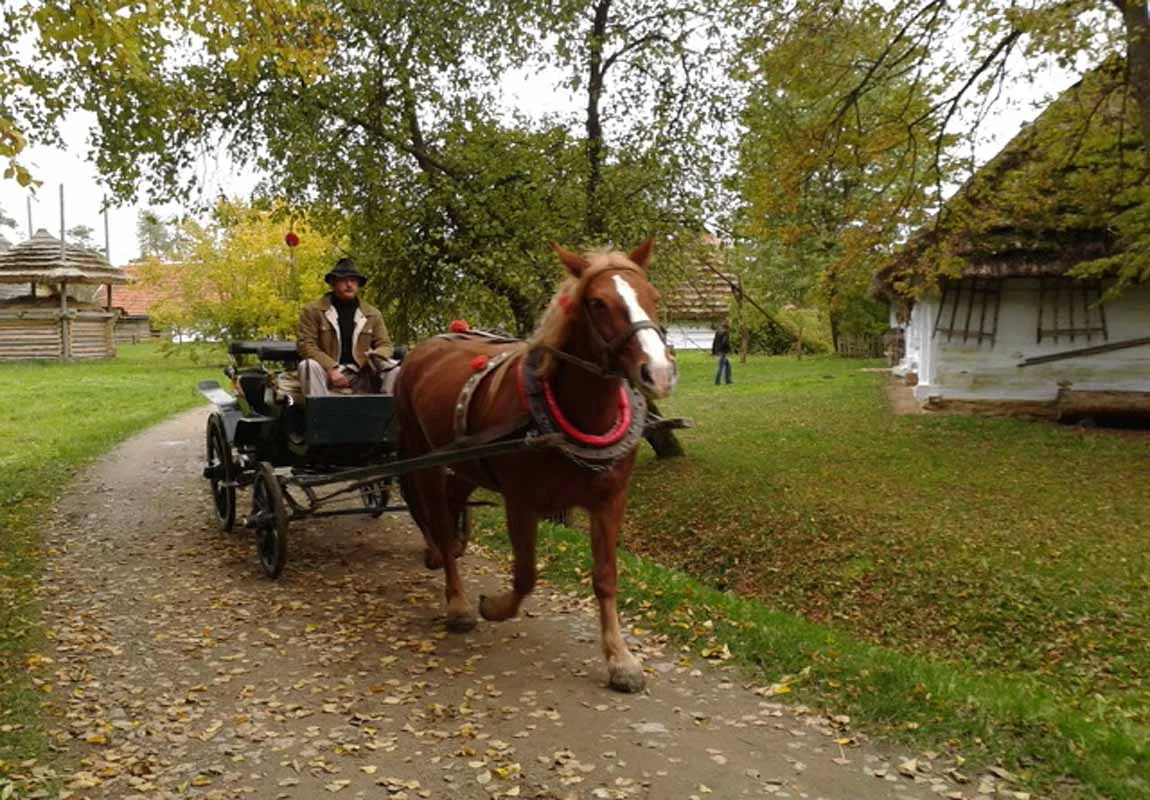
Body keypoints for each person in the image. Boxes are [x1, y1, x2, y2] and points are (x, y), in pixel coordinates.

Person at [297, 257, 395, 396]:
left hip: (363, 372)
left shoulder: (373, 314)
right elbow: (306, 345)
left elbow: (386, 345)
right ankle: (319, 413)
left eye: (353, 281)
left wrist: (376, 355)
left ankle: (387, 413)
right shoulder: (313, 311)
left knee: (395, 370)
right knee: (307, 366)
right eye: (343, 280)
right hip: (327, 372)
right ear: (333, 283)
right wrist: (331, 368)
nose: (349, 285)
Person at [711, 320, 733, 386]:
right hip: (723, 351)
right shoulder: (726, 332)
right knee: (721, 367)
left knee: (728, 365)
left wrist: (714, 351)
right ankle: (717, 382)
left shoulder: (718, 331)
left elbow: (714, 341)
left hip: (718, 351)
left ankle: (728, 380)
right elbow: (725, 342)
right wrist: (729, 349)